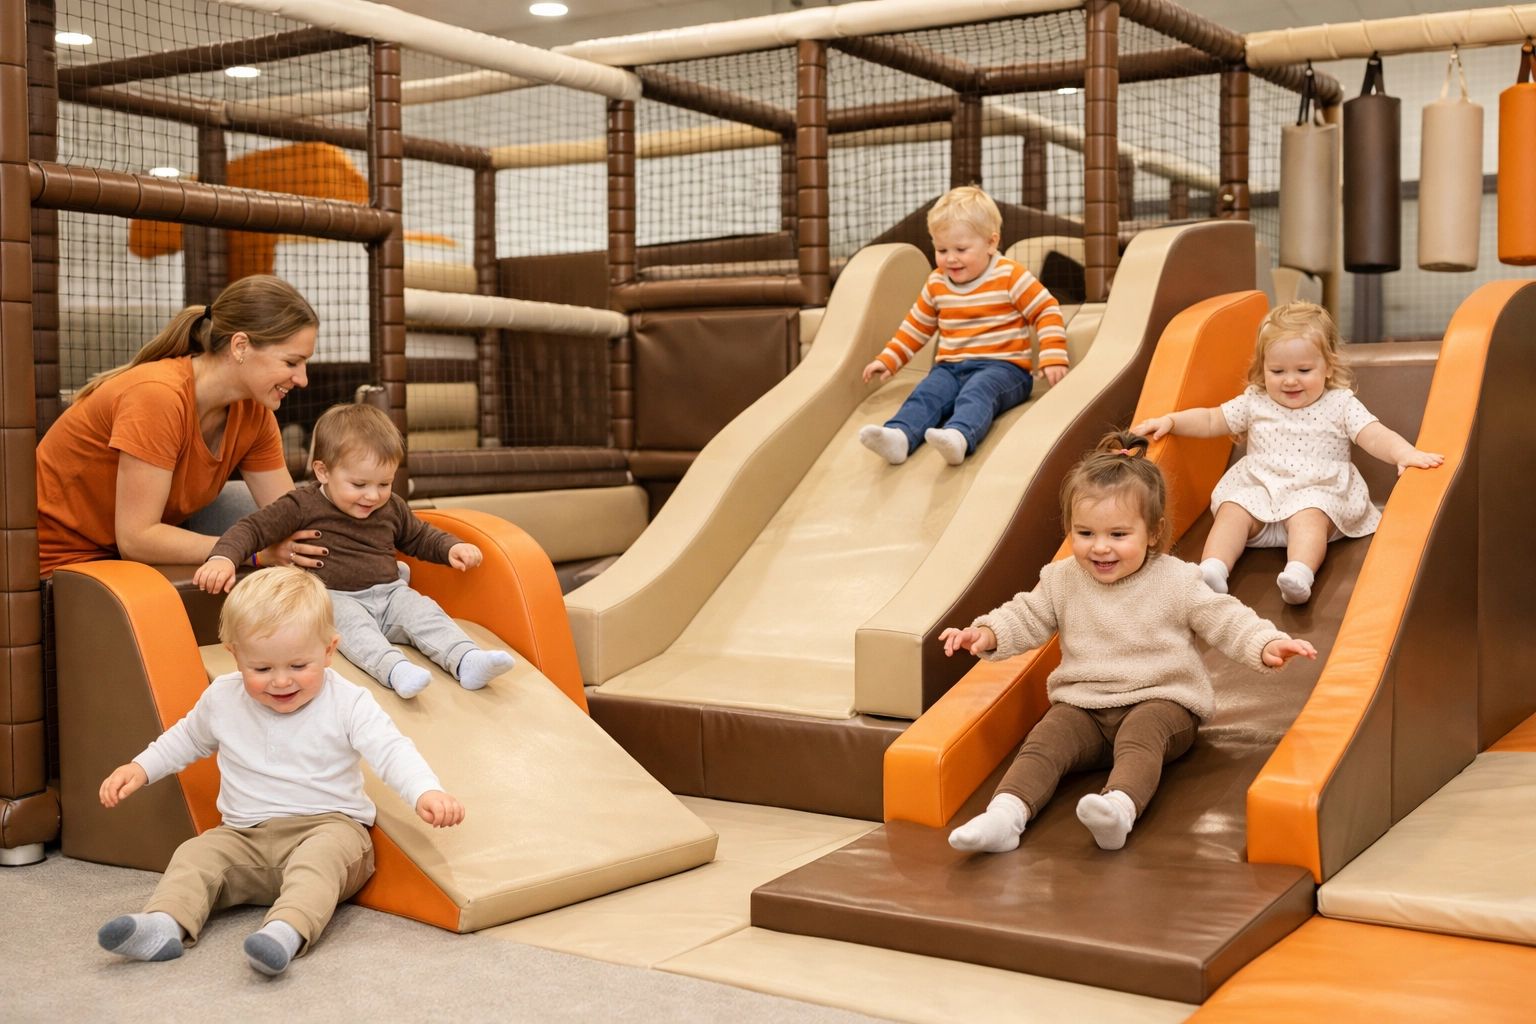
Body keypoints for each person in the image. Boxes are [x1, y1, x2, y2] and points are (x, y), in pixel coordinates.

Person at [940, 433, 1317, 854]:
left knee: (1141, 735)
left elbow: (1223, 616)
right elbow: (1026, 614)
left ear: (1153, 533)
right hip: (1084, 706)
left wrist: (1265, 642)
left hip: (1163, 702)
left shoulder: (1176, 579)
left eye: (1118, 535)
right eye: (1085, 533)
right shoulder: (1061, 579)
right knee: (1044, 742)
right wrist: (987, 632)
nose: (1100, 547)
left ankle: (1118, 808)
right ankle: (1004, 817)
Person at [94, 567, 464, 975]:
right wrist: (140, 767)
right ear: (235, 655)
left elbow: (391, 751)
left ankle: (283, 932)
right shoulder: (222, 698)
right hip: (242, 835)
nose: (281, 681)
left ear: (329, 650)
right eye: (262, 669)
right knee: (195, 854)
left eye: (298, 665)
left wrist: (425, 791)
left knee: (317, 864)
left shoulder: (349, 702)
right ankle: (165, 925)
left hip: (328, 828)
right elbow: (185, 740)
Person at [192, 403, 515, 699]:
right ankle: (395, 670)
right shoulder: (301, 505)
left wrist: (452, 547)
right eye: (359, 485)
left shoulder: (392, 507)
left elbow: (419, 536)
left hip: (390, 592)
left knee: (425, 613)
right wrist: (223, 558)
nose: (373, 496)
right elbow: (253, 529)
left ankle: (467, 660)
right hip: (334, 597)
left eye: (384, 484)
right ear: (323, 472)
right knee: (354, 630)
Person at [1133, 302, 1443, 605]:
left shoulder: (1340, 404)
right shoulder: (1256, 401)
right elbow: (1213, 419)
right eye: (1277, 370)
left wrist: (1404, 452)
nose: (1290, 380)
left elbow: (1374, 435)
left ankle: (1299, 572)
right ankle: (1213, 569)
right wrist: (1172, 420)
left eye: (1304, 369)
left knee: (1311, 514)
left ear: (1328, 366)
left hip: (1316, 491)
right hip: (1261, 493)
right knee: (1233, 509)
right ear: (1262, 368)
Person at [36, 275, 327, 576]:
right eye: (292, 363)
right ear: (240, 346)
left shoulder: (255, 412)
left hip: (126, 559)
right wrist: (249, 552)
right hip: (59, 563)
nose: (303, 380)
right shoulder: (157, 396)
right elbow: (136, 539)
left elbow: (291, 519)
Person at [858, 186, 1068, 467]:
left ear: (991, 243)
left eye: (961, 249)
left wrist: (1053, 354)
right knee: (927, 392)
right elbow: (915, 327)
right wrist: (889, 359)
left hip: (1005, 368)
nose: (950, 258)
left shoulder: (1010, 276)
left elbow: (1046, 309)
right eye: (941, 249)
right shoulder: (936, 282)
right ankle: (900, 436)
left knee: (978, 391)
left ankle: (959, 436)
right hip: (951, 367)